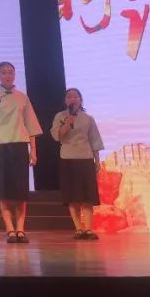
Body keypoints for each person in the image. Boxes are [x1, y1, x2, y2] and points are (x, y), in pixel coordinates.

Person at [0, 61, 41, 244]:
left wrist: (33, 151)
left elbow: (31, 126)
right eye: (4, 72)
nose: (8, 75)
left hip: (20, 146)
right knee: (3, 191)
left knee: (20, 191)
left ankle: (21, 229)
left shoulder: (22, 97)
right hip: (0, 147)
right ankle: (10, 229)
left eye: (11, 72)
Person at [50, 87, 105, 239]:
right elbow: (57, 136)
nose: (72, 99)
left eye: (75, 96)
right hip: (67, 159)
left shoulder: (88, 119)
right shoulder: (60, 116)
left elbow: (95, 140)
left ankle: (88, 229)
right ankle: (79, 229)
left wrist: (97, 161)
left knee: (87, 197)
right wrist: (67, 123)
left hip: (85, 158)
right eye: (69, 96)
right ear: (65, 100)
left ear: (81, 100)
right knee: (72, 197)